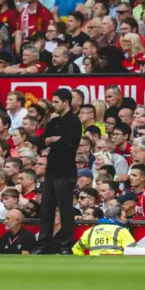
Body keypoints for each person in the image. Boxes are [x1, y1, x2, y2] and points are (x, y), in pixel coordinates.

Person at [33, 89, 82, 255]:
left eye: (56, 102)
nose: (53, 105)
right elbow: (40, 142)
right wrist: (52, 139)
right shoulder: (54, 122)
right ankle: (43, 244)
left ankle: (66, 246)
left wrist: (53, 141)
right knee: (46, 209)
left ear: (66, 103)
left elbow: (68, 143)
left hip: (66, 171)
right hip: (51, 170)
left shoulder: (74, 121)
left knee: (65, 209)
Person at [72, 204, 136, 255]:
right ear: (117, 217)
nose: (125, 220)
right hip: (115, 267)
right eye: (124, 217)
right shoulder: (122, 231)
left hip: (94, 267)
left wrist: (85, 262)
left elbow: (76, 248)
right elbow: (133, 251)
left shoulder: (90, 231)